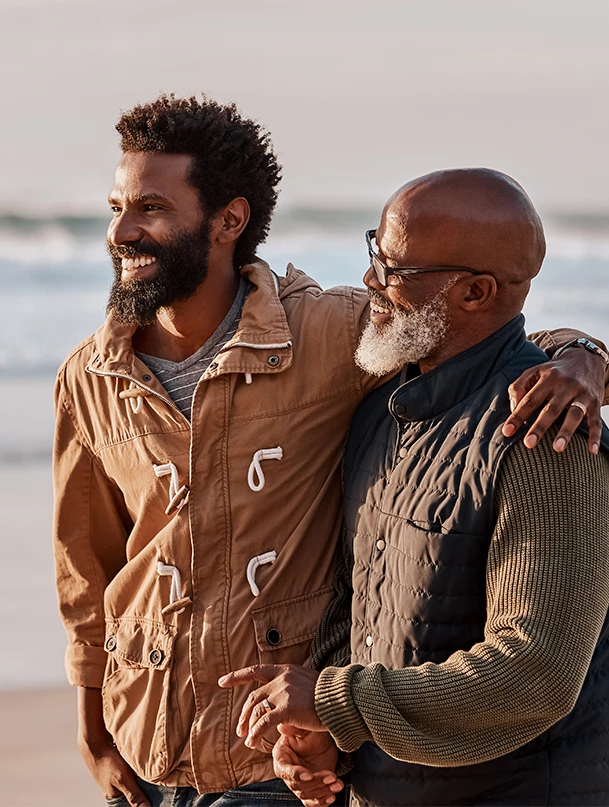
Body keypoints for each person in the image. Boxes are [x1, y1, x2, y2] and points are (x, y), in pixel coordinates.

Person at [52, 94, 608, 807]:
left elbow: (493, 339)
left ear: (229, 220)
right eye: (115, 205)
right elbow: (85, 566)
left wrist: (584, 357)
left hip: (273, 762)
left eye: (152, 208)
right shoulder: (89, 376)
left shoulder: (338, 337)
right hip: (157, 744)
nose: (122, 230)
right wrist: (94, 730)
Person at [220, 168, 609, 807]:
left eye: (394, 269)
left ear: (476, 292)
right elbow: (361, 604)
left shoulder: (546, 437)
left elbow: (535, 675)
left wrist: (335, 702)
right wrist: (330, 740)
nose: (371, 279)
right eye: (375, 250)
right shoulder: (383, 412)